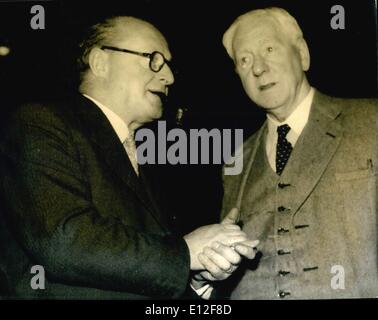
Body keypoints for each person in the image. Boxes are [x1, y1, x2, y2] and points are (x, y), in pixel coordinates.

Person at [0, 16, 257, 299]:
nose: (169, 77)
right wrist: (185, 253)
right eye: (154, 59)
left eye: (169, 65)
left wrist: (198, 276)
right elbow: (63, 240)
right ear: (101, 62)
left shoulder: (143, 165)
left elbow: (142, 268)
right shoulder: (38, 124)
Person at [217, 7, 378, 299]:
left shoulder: (371, 121)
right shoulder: (235, 163)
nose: (258, 68)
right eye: (244, 60)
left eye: (269, 49)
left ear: (302, 53)